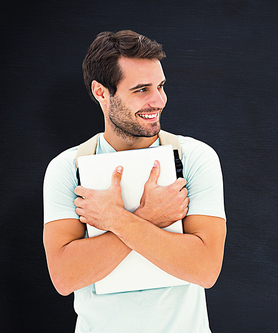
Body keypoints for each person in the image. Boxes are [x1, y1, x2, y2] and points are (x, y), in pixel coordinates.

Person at [43, 30, 226, 332]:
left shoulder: (194, 157)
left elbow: (205, 269)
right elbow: (65, 277)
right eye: (142, 90)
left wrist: (115, 218)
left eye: (161, 86)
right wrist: (149, 216)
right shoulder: (67, 168)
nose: (159, 100)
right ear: (101, 92)